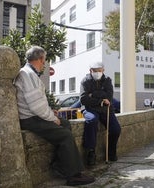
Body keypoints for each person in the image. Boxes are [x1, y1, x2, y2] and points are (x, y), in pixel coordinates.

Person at [14, 46, 95, 186]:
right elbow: (35, 106)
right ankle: (73, 175)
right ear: (40, 59)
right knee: (66, 136)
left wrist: (51, 112)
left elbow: (37, 102)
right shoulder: (28, 74)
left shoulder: (29, 73)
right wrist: (53, 118)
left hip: (33, 116)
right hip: (30, 119)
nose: (45, 63)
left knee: (66, 124)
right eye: (44, 60)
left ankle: (60, 165)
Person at [80, 62, 121, 166]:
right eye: (95, 70)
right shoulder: (85, 81)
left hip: (106, 109)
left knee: (116, 129)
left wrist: (93, 94)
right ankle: (91, 152)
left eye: (99, 70)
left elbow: (110, 96)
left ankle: (111, 151)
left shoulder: (107, 80)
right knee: (92, 121)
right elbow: (84, 99)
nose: (97, 72)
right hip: (90, 109)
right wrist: (101, 100)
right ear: (90, 71)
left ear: (103, 70)